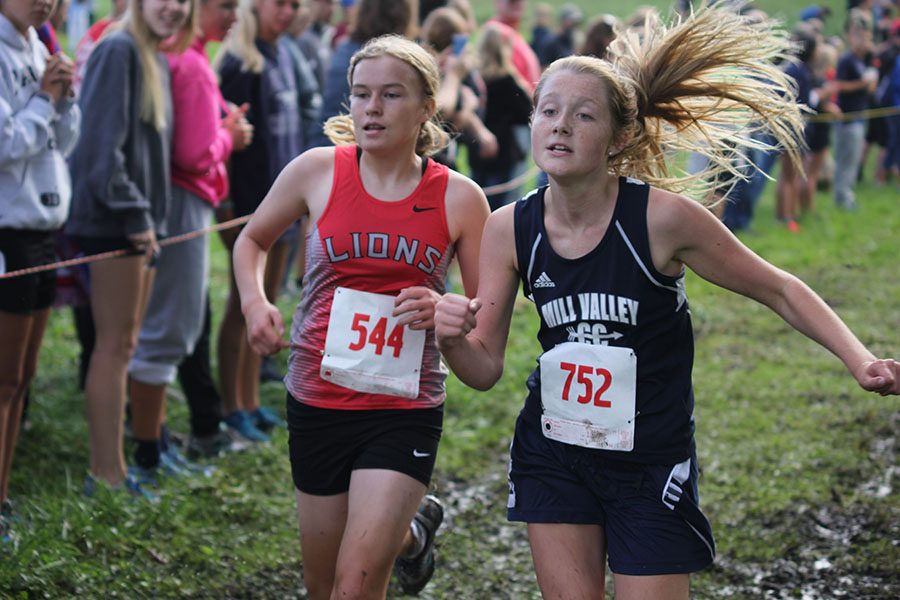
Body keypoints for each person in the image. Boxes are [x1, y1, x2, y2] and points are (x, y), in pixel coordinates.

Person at [434, 7, 900, 599]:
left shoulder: (661, 220)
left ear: (620, 137)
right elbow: (484, 369)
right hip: (554, 452)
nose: (560, 126)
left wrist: (859, 360)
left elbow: (778, 287)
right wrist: (451, 338)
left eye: (583, 116)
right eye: (548, 111)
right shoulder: (509, 228)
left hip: (650, 461)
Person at [232, 34, 489, 599]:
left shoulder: (460, 199)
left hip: (403, 409)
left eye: (391, 95)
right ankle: (413, 534)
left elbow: (483, 316)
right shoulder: (316, 171)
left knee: (356, 583)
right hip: (317, 400)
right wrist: (255, 302)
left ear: (427, 106)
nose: (371, 108)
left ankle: (403, 528)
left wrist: (449, 313)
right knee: (323, 585)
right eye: (360, 94)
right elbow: (252, 240)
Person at [66, 0, 195, 496]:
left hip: (142, 225)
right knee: (114, 346)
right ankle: (106, 473)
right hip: (115, 223)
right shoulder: (116, 50)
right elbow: (100, 152)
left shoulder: (152, 54)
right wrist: (138, 216)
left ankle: (115, 468)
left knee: (126, 344)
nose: (175, 8)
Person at [122, 0, 254, 478]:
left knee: (165, 326)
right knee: (170, 329)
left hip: (173, 202)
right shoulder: (193, 65)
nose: (236, 17)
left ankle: (152, 441)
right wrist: (228, 138)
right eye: (226, 6)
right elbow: (195, 154)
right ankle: (146, 453)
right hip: (183, 204)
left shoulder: (173, 57)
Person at [0, 0, 79, 539]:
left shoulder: (36, 44)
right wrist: (46, 99)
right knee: (3, 380)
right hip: (10, 231)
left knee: (21, 378)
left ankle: (3, 496)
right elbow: (5, 144)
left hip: (43, 229)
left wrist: (64, 101)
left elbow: (59, 144)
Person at [216, 0, 304, 443]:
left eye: (294, 5)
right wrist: (229, 208)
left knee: (267, 303)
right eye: (279, 4)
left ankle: (251, 400)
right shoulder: (238, 63)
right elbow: (229, 143)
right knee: (242, 306)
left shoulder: (281, 54)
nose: (287, 12)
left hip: (284, 202)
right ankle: (231, 405)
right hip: (251, 207)